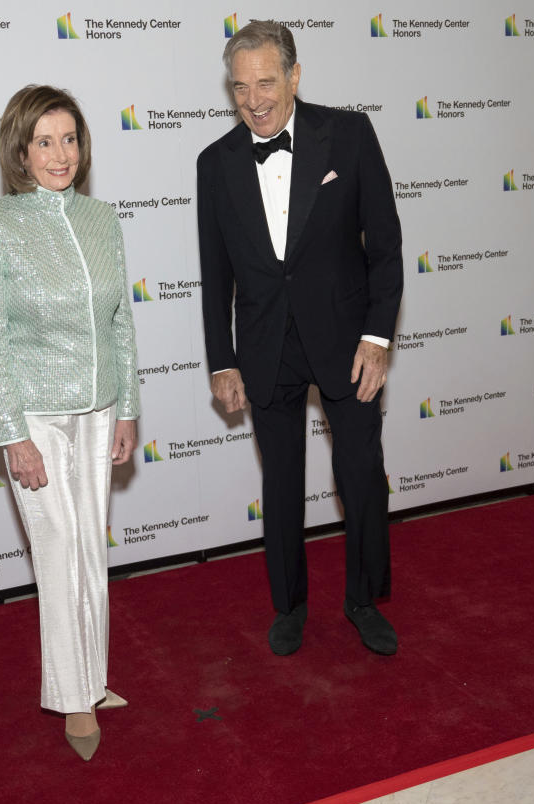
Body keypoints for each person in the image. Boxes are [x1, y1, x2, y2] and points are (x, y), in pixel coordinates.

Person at [196, 21, 403, 658]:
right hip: (265, 346)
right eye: (240, 87)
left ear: (294, 75)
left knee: (360, 473)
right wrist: (221, 361)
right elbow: (215, 276)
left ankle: (363, 599)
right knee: (282, 482)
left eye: (265, 82)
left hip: (346, 340)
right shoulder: (216, 164)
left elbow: (387, 248)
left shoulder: (348, 134)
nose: (253, 99)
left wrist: (376, 336)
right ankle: (290, 606)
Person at [0, 85, 140, 761]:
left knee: (90, 550)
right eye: (44, 141)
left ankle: (91, 678)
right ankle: (72, 701)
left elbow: (120, 320)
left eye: (68, 139)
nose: (59, 154)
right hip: (35, 414)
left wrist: (127, 406)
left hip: (98, 408)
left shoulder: (101, 219)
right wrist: (10, 433)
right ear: (19, 150)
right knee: (60, 551)